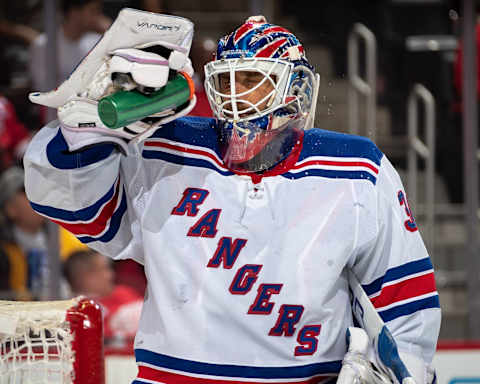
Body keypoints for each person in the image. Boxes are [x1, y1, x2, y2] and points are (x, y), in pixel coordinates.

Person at [23, 9, 440, 383]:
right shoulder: (165, 147)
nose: (237, 96)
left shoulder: (355, 166)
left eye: (252, 81)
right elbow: (78, 211)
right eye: (227, 80)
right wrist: (85, 138)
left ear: (295, 89)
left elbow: (404, 296)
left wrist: (402, 371)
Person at [63, 249, 143, 343]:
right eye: (104, 269)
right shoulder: (72, 312)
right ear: (85, 277)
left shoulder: (123, 292)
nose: (110, 275)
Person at [28, 0, 109, 93]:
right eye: (93, 10)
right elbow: (44, 88)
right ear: (74, 13)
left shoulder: (98, 41)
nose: (99, 17)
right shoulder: (43, 45)